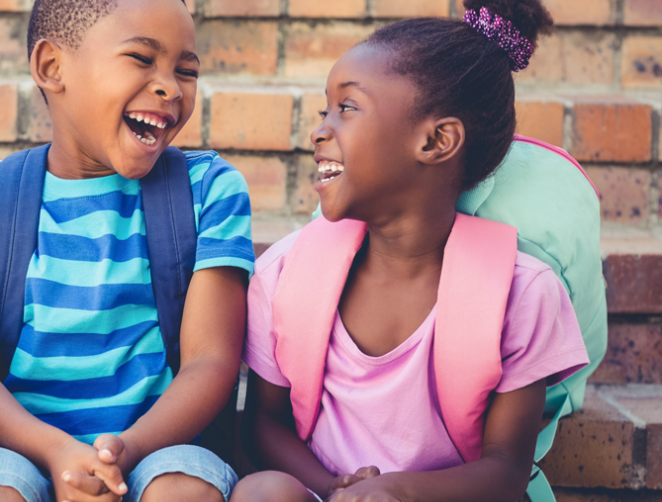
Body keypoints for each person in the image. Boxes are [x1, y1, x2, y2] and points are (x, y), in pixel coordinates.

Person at [233, 1, 591, 501]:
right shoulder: (286, 275)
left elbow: (507, 469)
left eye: (348, 108)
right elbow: (263, 425)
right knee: (262, 492)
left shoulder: (521, 292)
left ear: (437, 141)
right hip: (325, 493)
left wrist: (396, 493)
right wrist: (339, 491)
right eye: (324, 111)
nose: (319, 130)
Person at [0, 0, 256, 500]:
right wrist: (56, 453)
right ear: (53, 68)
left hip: (160, 449)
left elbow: (211, 360)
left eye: (186, 70)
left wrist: (125, 451)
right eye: (142, 58)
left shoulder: (209, 189)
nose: (170, 86)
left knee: (181, 487)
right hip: (13, 450)